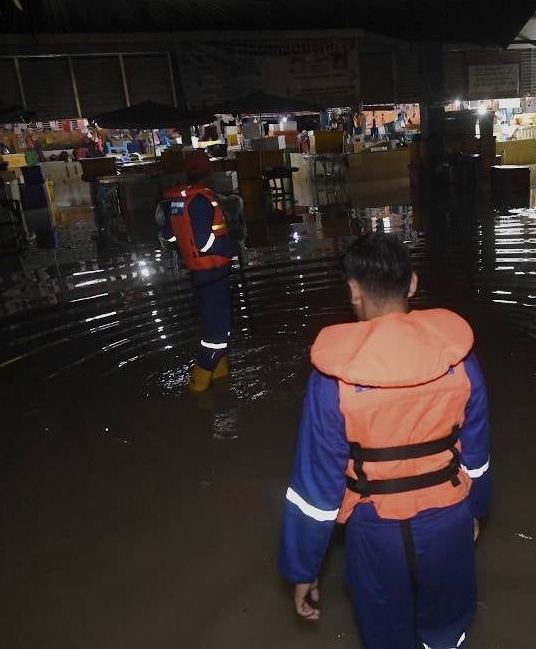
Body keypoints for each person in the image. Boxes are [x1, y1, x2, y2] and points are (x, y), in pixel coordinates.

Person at [278, 233, 491, 649]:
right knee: (447, 632)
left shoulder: (332, 380)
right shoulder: (460, 361)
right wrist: (475, 509)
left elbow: (315, 490)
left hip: (375, 533)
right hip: (448, 522)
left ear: (353, 290)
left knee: (384, 637)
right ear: (412, 283)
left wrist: (303, 567)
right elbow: (477, 456)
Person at [159, 153, 238, 392]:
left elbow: (169, 235)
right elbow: (204, 242)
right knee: (218, 333)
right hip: (213, 273)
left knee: (214, 325)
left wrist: (187, 244)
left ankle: (221, 380)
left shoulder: (177, 201)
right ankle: (198, 389)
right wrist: (230, 248)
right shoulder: (202, 200)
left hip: (200, 275)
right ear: (209, 172)